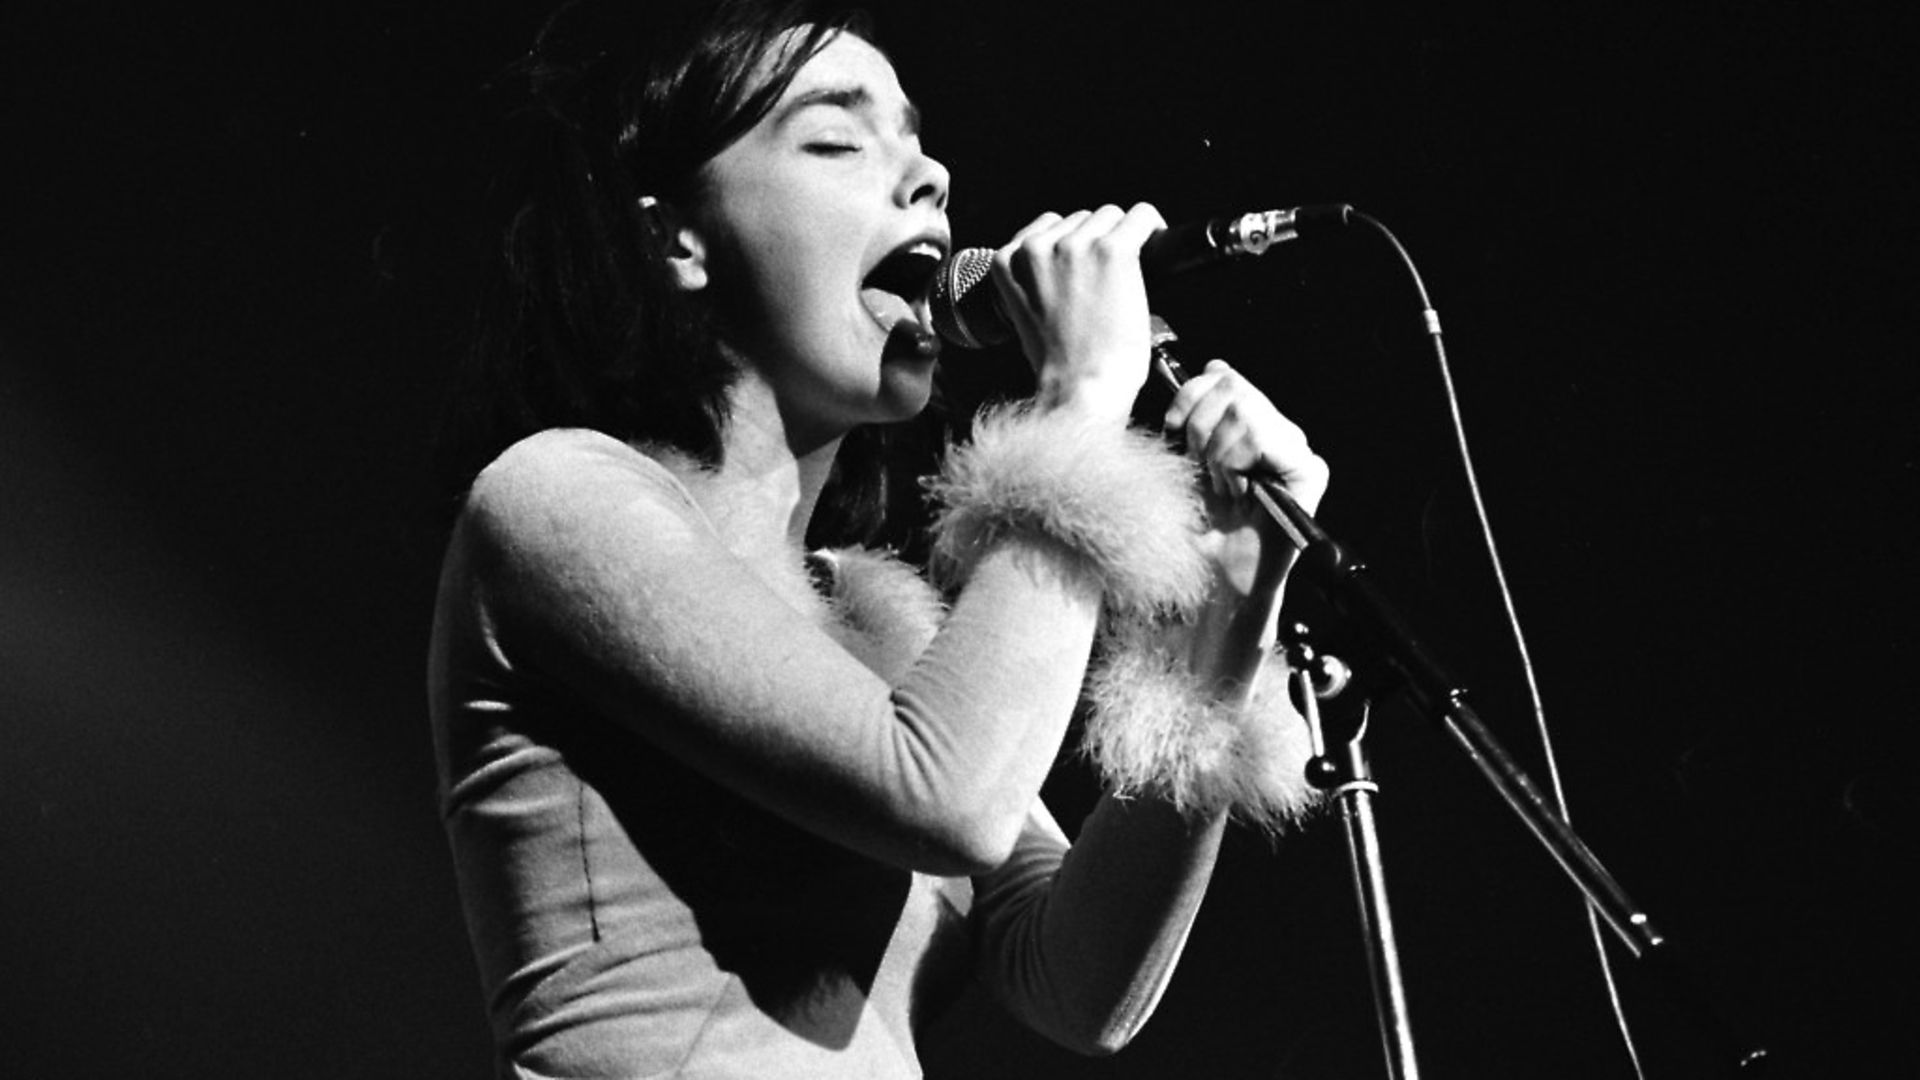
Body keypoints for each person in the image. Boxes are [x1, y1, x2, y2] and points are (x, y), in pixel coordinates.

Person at [427, 1, 1331, 1075]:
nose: (928, 175)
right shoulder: (556, 498)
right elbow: (943, 792)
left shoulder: (877, 613)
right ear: (676, 239)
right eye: (837, 138)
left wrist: (1229, 608)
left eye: (916, 139)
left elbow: (1076, 981)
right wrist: (1080, 401)